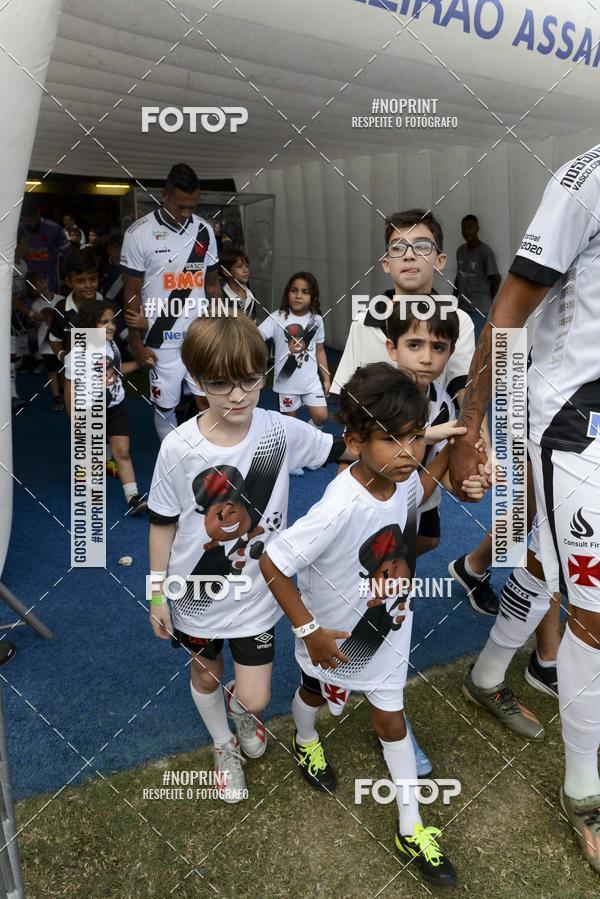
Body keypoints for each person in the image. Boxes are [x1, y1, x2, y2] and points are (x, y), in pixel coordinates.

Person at [259, 364, 487, 887]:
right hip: (335, 641)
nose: (408, 452)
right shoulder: (338, 507)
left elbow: (419, 480)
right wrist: (308, 630)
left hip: (388, 629)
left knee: (391, 719)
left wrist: (451, 443)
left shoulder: (399, 475)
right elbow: (273, 562)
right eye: (392, 440)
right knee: (314, 695)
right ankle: (305, 737)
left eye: (413, 437)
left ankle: (412, 824)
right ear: (354, 440)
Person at [449, 144, 600, 874]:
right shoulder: (589, 175)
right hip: (579, 421)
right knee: (595, 613)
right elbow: (508, 311)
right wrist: (469, 421)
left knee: (544, 554)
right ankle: (585, 792)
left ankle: (485, 673)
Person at [146, 314, 353, 803]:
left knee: (256, 697)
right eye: (220, 383)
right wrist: (156, 594)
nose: (237, 396)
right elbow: (162, 524)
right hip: (194, 594)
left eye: (249, 380)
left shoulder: (279, 430)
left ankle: (240, 716)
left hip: (259, 595)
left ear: (265, 372)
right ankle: (223, 744)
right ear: (197, 380)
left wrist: (422, 441)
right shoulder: (178, 445)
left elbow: (341, 451)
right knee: (206, 673)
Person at [121, 163, 220, 442]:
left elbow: (212, 284)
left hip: (200, 337)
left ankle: (207, 455)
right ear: (164, 196)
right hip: (160, 339)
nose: (187, 213)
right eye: (181, 206)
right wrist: (136, 344)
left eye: (193, 206)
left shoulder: (204, 231)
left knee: (207, 401)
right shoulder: (139, 233)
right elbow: (131, 291)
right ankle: (173, 460)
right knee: (166, 407)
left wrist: (223, 325)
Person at [385, 302, 469, 556]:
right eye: (414, 345)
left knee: (428, 540)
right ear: (392, 348)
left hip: (421, 493)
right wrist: (425, 435)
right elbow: (359, 451)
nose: (426, 358)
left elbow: (443, 468)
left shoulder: (444, 403)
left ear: (451, 352)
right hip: (379, 496)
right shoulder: (377, 393)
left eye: (438, 347)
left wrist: (466, 484)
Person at [63, 300, 147, 516]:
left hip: (115, 407)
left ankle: (133, 497)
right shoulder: (76, 355)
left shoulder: (111, 345)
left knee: (122, 451)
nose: (112, 326)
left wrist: (139, 364)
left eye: (113, 321)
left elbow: (117, 369)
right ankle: (90, 494)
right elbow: (69, 389)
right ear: (90, 325)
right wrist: (75, 421)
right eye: (104, 322)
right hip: (89, 411)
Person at [259, 271, 329, 425]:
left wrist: (326, 378)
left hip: (311, 382)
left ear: (313, 297)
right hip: (286, 383)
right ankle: (291, 447)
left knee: (321, 417)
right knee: (289, 423)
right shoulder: (278, 317)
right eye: (293, 291)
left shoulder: (316, 320)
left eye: (305, 292)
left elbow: (320, 350)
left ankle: (310, 440)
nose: (298, 296)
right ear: (287, 293)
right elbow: (256, 336)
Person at [48, 249, 103, 365]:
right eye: (81, 281)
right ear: (68, 282)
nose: (88, 285)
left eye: (92, 279)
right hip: (74, 376)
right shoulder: (61, 308)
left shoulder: (110, 307)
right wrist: (63, 357)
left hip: (107, 376)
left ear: (98, 277)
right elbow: (54, 339)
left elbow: (127, 338)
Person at [453, 215, 501, 328]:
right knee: (460, 340)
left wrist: (489, 299)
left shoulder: (485, 252)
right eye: (464, 228)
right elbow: (459, 276)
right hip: (462, 306)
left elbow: (496, 278)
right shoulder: (460, 251)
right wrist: (454, 298)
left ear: (477, 228)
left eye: (470, 227)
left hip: (479, 308)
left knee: (473, 341)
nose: (466, 231)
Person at [28, 272, 63, 411]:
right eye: (36, 285)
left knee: (62, 366)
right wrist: (38, 319)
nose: (40, 285)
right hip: (45, 342)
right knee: (51, 370)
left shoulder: (61, 299)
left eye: (42, 281)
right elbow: (36, 323)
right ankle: (56, 398)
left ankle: (61, 388)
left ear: (47, 281)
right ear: (32, 290)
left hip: (61, 340)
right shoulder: (35, 305)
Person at [20, 196, 64, 293]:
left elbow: (69, 253)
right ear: (22, 218)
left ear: (39, 213)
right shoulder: (18, 229)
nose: (32, 224)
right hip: (27, 286)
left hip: (50, 285)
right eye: (28, 221)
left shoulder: (54, 229)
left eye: (34, 219)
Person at [219, 246, 257, 319]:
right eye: (239, 266)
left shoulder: (251, 295)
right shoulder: (221, 297)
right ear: (226, 272)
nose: (246, 270)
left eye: (247, 266)